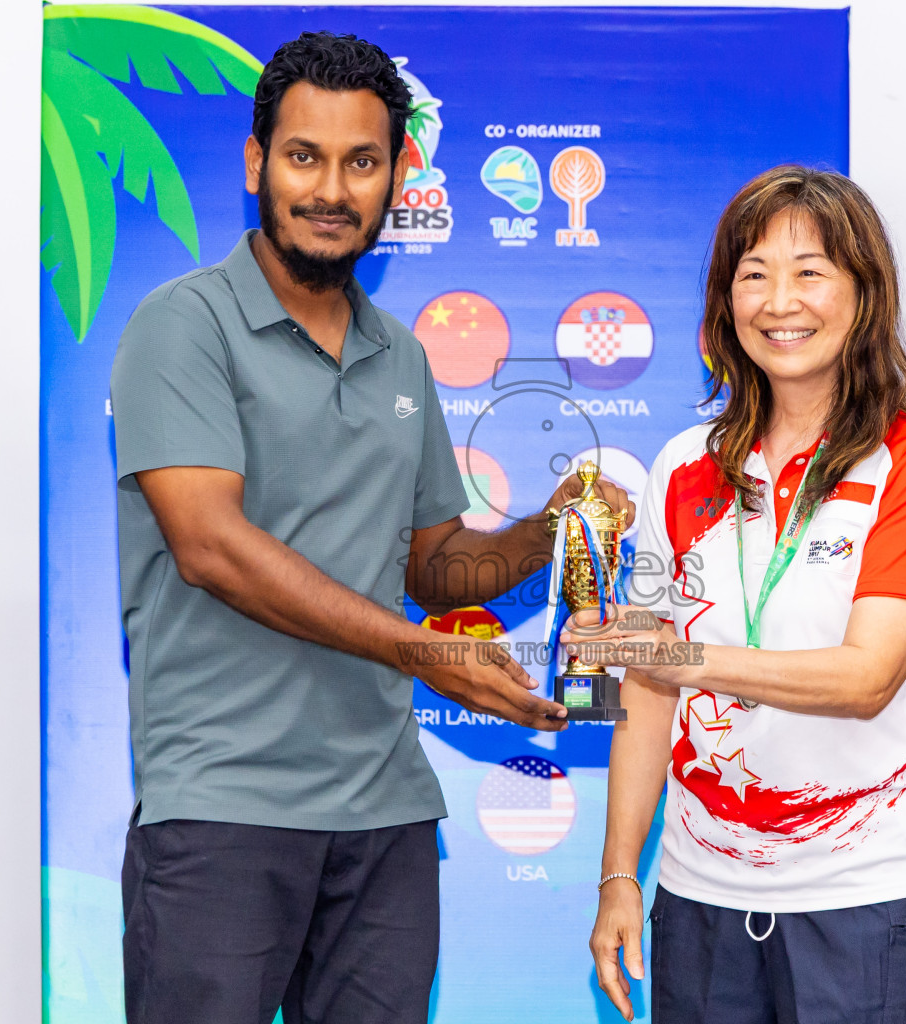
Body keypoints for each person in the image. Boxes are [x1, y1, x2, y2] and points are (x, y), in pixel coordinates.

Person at [108, 31, 631, 1024]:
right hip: (223, 808)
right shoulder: (183, 325)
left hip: (387, 814)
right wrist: (419, 652)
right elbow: (210, 545)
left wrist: (551, 530)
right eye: (305, 155)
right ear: (257, 162)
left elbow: (434, 567)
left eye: (362, 161)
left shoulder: (401, 356)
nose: (333, 189)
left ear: (397, 176)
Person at [571, 166, 906, 1024]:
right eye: (754, 274)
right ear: (725, 301)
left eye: (810, 271)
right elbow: (645, 691)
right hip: (698, 895)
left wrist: (679, 656)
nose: (780, 300)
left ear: (864, 296)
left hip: (868, 899)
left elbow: (866, 680)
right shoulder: (682, 464)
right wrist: (617, 878)